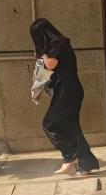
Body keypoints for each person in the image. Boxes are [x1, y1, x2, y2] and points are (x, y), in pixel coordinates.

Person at [30, 19, 100, 175]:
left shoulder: (59, 45)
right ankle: (87, 164)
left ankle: (70, 156)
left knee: (50, 123)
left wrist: (42, 53)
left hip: (67, 91)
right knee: (72, 127)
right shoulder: (60, 44)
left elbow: (50, 64)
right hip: (69, 90)